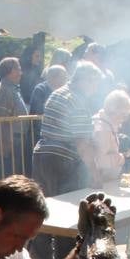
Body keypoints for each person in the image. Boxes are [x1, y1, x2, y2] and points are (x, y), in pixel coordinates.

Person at [31, 61, 102, 195]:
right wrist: (95, 173)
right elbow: (82, 144)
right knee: (64, 210)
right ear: (85, 81)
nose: (96, 88)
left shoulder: (58, 92)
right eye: (95, 83)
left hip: (41, 156)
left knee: (45, 207)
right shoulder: (78, 101)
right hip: (61, 161)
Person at [91, 89, 130, 191]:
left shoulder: (106, 124)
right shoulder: (103, 130)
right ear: (114, 110)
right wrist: (122, 156)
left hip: (106, 181)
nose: (125, 119)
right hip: (101, 184)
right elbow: (99, 161)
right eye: (124, 115)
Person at [0, 56, 30, 178]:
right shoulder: (5, 90)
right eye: (18, 69)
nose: (21, 73)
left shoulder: (11, 88)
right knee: (7, 177)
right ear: (11, 71)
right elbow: (0, 119)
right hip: (10, 142)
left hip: (15, 140)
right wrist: (5, 145)